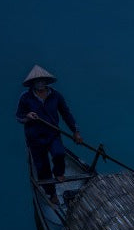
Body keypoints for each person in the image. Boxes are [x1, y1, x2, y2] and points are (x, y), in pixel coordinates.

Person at [15, 65, 83, 203]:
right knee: (42, 167)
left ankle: (59, 173)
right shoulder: (26, 97)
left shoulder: (55, 95)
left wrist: (75, 131)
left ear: (47, 81)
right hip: (35, 137)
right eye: (37, 81)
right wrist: (28, 116)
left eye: (42, 80)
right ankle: (51, 194)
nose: (40, 83)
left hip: (53, 133)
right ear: (33, 83)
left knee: (59, 153)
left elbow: (66, 114)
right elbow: (19, 116)